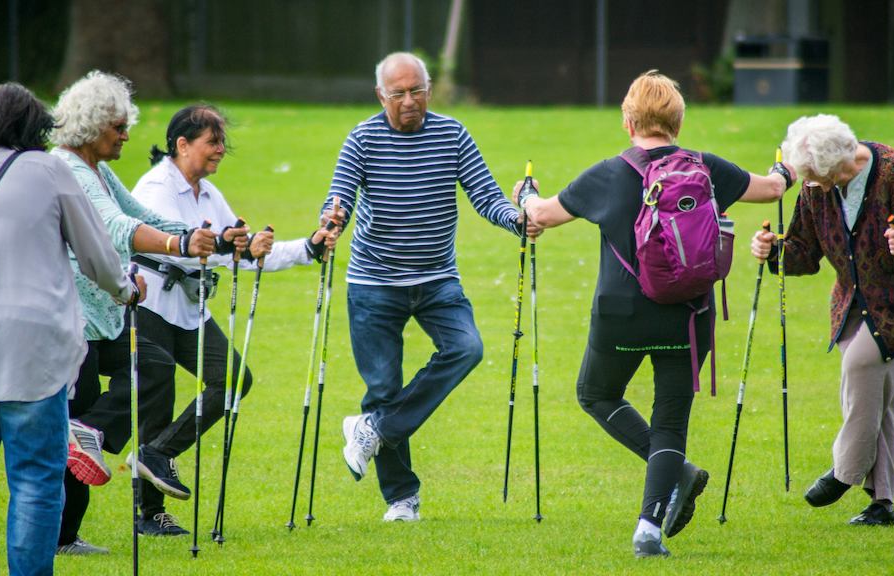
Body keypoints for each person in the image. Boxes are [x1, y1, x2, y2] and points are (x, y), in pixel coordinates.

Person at [516, 70, 792, 558]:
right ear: (679, 122)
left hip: (620, 315)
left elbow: (541, 216)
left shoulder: (605, 174)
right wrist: (787, 172)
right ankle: (649, 528)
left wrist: (525, 194)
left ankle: (679, 472)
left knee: (595, 393)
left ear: (628, 122)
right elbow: (770, 189)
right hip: (688, 316)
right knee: (670, 423)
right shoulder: (707, 169)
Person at [0, 83, 138, 575]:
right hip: (32, 351)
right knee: (35, 480)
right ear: (37, 126)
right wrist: (126, 291)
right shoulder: (51, 172)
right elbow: (98, 257)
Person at [324, 52, 539, 522]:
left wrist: (518, 221)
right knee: (383, 386)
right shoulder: (362, 138)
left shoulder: (452, 133)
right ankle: (402, 499)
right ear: (381, 95)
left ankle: (372, 429)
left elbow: (485, 194)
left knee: (466, 348)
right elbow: (339, 196)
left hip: (437, 279)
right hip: (374, 283)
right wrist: (331, 222)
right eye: (398, 93)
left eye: (417, 90)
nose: (409, 101)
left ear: (429, 90)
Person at [129, 103, 340, 529]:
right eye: (213, 141)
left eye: (223, 142)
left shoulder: (208, 193)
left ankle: (158, 453)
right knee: (158, 400)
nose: (222, 149)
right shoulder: (155, 187)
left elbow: (236, 250)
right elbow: (177, 244)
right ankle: (150, 514)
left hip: (189, 309)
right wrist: (228, 245)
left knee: (233, 379)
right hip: (150, 304)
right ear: (182, 144)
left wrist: (307, 248)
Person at [49, 71, 222, 553]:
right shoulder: (66, 171)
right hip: (75, 317)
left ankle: (89, 437)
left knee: (151, 368)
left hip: (106, 314)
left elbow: (140, 214)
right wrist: (177, 243)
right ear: (91, 126)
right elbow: (115, 227)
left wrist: (198, 239)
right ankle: (63, 536)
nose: (127, 135)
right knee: (78, 417)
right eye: (118, 127)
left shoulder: (99, 171)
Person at [751, 114, 894, 526]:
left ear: (840, 163)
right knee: (878, 396)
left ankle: (844, 472)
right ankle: (882, 503)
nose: (813, 186)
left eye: (818, 177)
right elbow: (804, 253)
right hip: (851, 303)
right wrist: (773, 251)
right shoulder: (816, 185)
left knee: (860, 366)